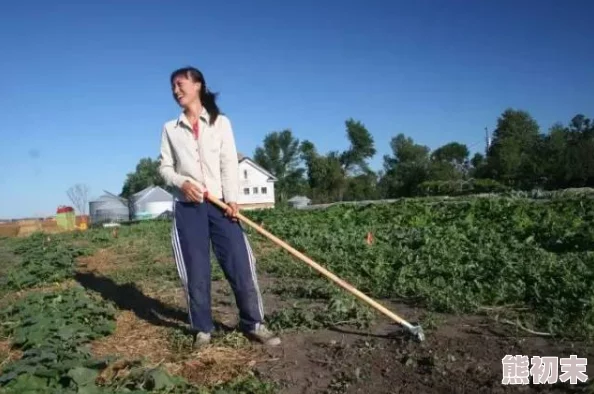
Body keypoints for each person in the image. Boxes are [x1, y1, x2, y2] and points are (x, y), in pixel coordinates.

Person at [158, 66, 280, 347]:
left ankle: (254, 323)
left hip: (221, 204)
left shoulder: (220, 123)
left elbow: (228, 163)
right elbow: (164, 167)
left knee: (239, 263)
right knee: (196, 268)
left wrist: (233, 199)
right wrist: (181, 182)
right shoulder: (170, 129)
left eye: (180, 84)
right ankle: (202, 328)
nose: (176, 91)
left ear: (198, 84)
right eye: (172, 87)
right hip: (189, 208)